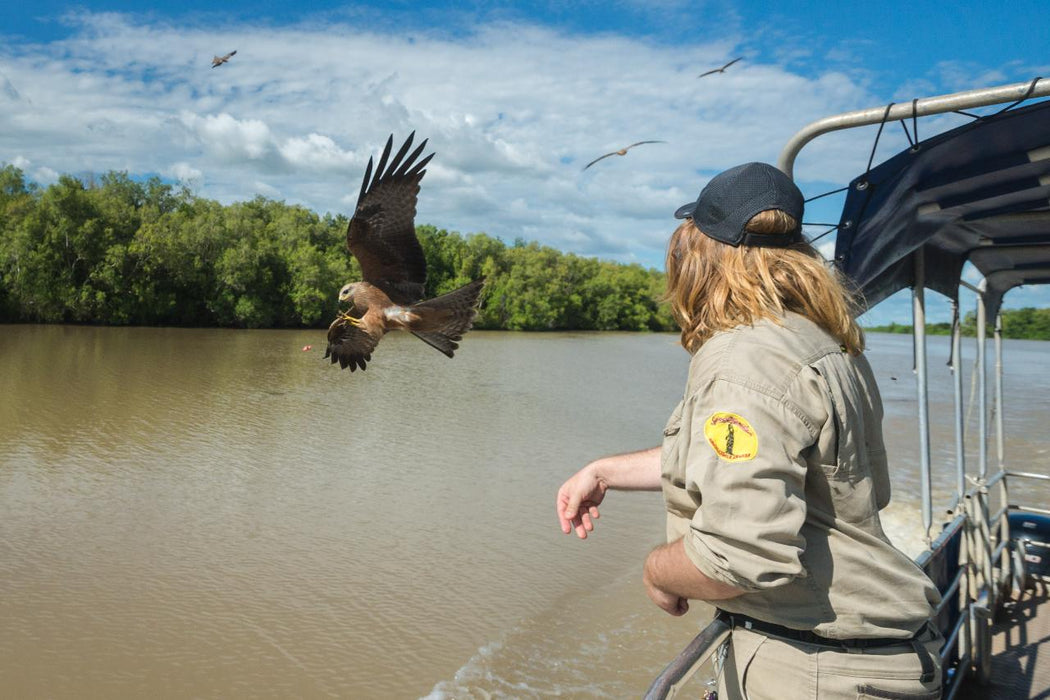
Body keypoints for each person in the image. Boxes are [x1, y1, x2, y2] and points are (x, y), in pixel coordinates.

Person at [555, 162, 943, 699]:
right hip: (868, 658)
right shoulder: (821, 343)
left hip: (818, 670)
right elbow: (755, 456)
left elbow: (740, 555)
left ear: (701, 255)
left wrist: (657, 571)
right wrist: (604, 470)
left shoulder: (745, 362)